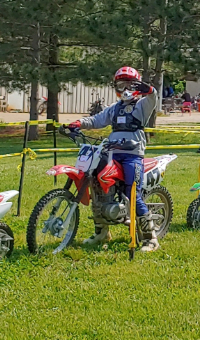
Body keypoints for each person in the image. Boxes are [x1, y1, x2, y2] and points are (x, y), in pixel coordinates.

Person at [66, 66, 162, 251]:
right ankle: (102, 232)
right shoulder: (114, 108)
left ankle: (151, 239)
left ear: (137, 85)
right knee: (95, 183)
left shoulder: (141, 105)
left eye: (130, 84)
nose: (125, 88)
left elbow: (153, 98)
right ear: (116, 87)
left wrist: (149, 90)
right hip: (111, 153)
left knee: (132, 192)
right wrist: (79, 123)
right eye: (121, 84)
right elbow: (96, 120)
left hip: (132, 155)